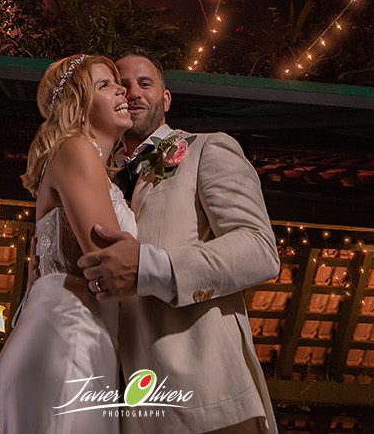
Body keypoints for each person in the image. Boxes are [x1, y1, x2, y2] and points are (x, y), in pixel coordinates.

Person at [78, 49, 280, 434]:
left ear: (166, 100)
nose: (132, 92)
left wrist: (152, 269)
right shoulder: (96, 179)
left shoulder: (207, 149)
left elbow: (259, 249)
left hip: (209, 402)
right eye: (123, 84)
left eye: (145, 83)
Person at [0, 54, 137, 434]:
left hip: (74, 336)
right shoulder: (75, 149)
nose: (122, 88)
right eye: (105, 85)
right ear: (78, 105)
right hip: (70, 339)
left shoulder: (89, 167)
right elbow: (109, 262)